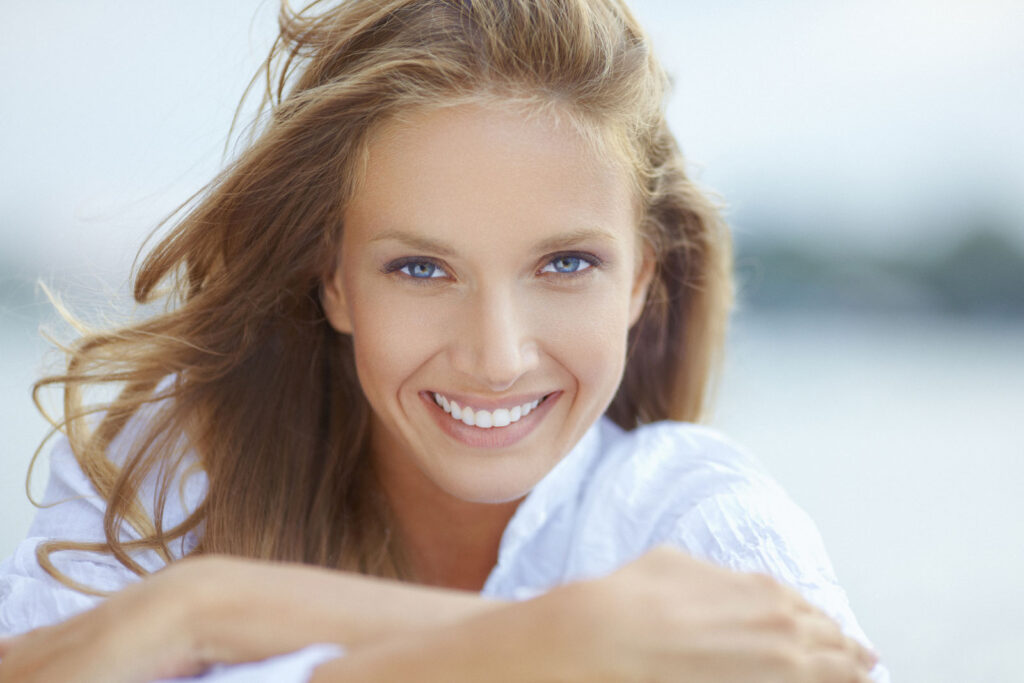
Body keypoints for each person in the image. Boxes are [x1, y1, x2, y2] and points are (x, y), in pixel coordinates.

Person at [0, 0, 889, 681]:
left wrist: (208, 613)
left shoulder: (699, 521)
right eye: (422, 269)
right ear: (334, 279)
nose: (496, 355)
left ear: (641, 282)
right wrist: (542, 644)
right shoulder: (181, 461)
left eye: (566, 263)